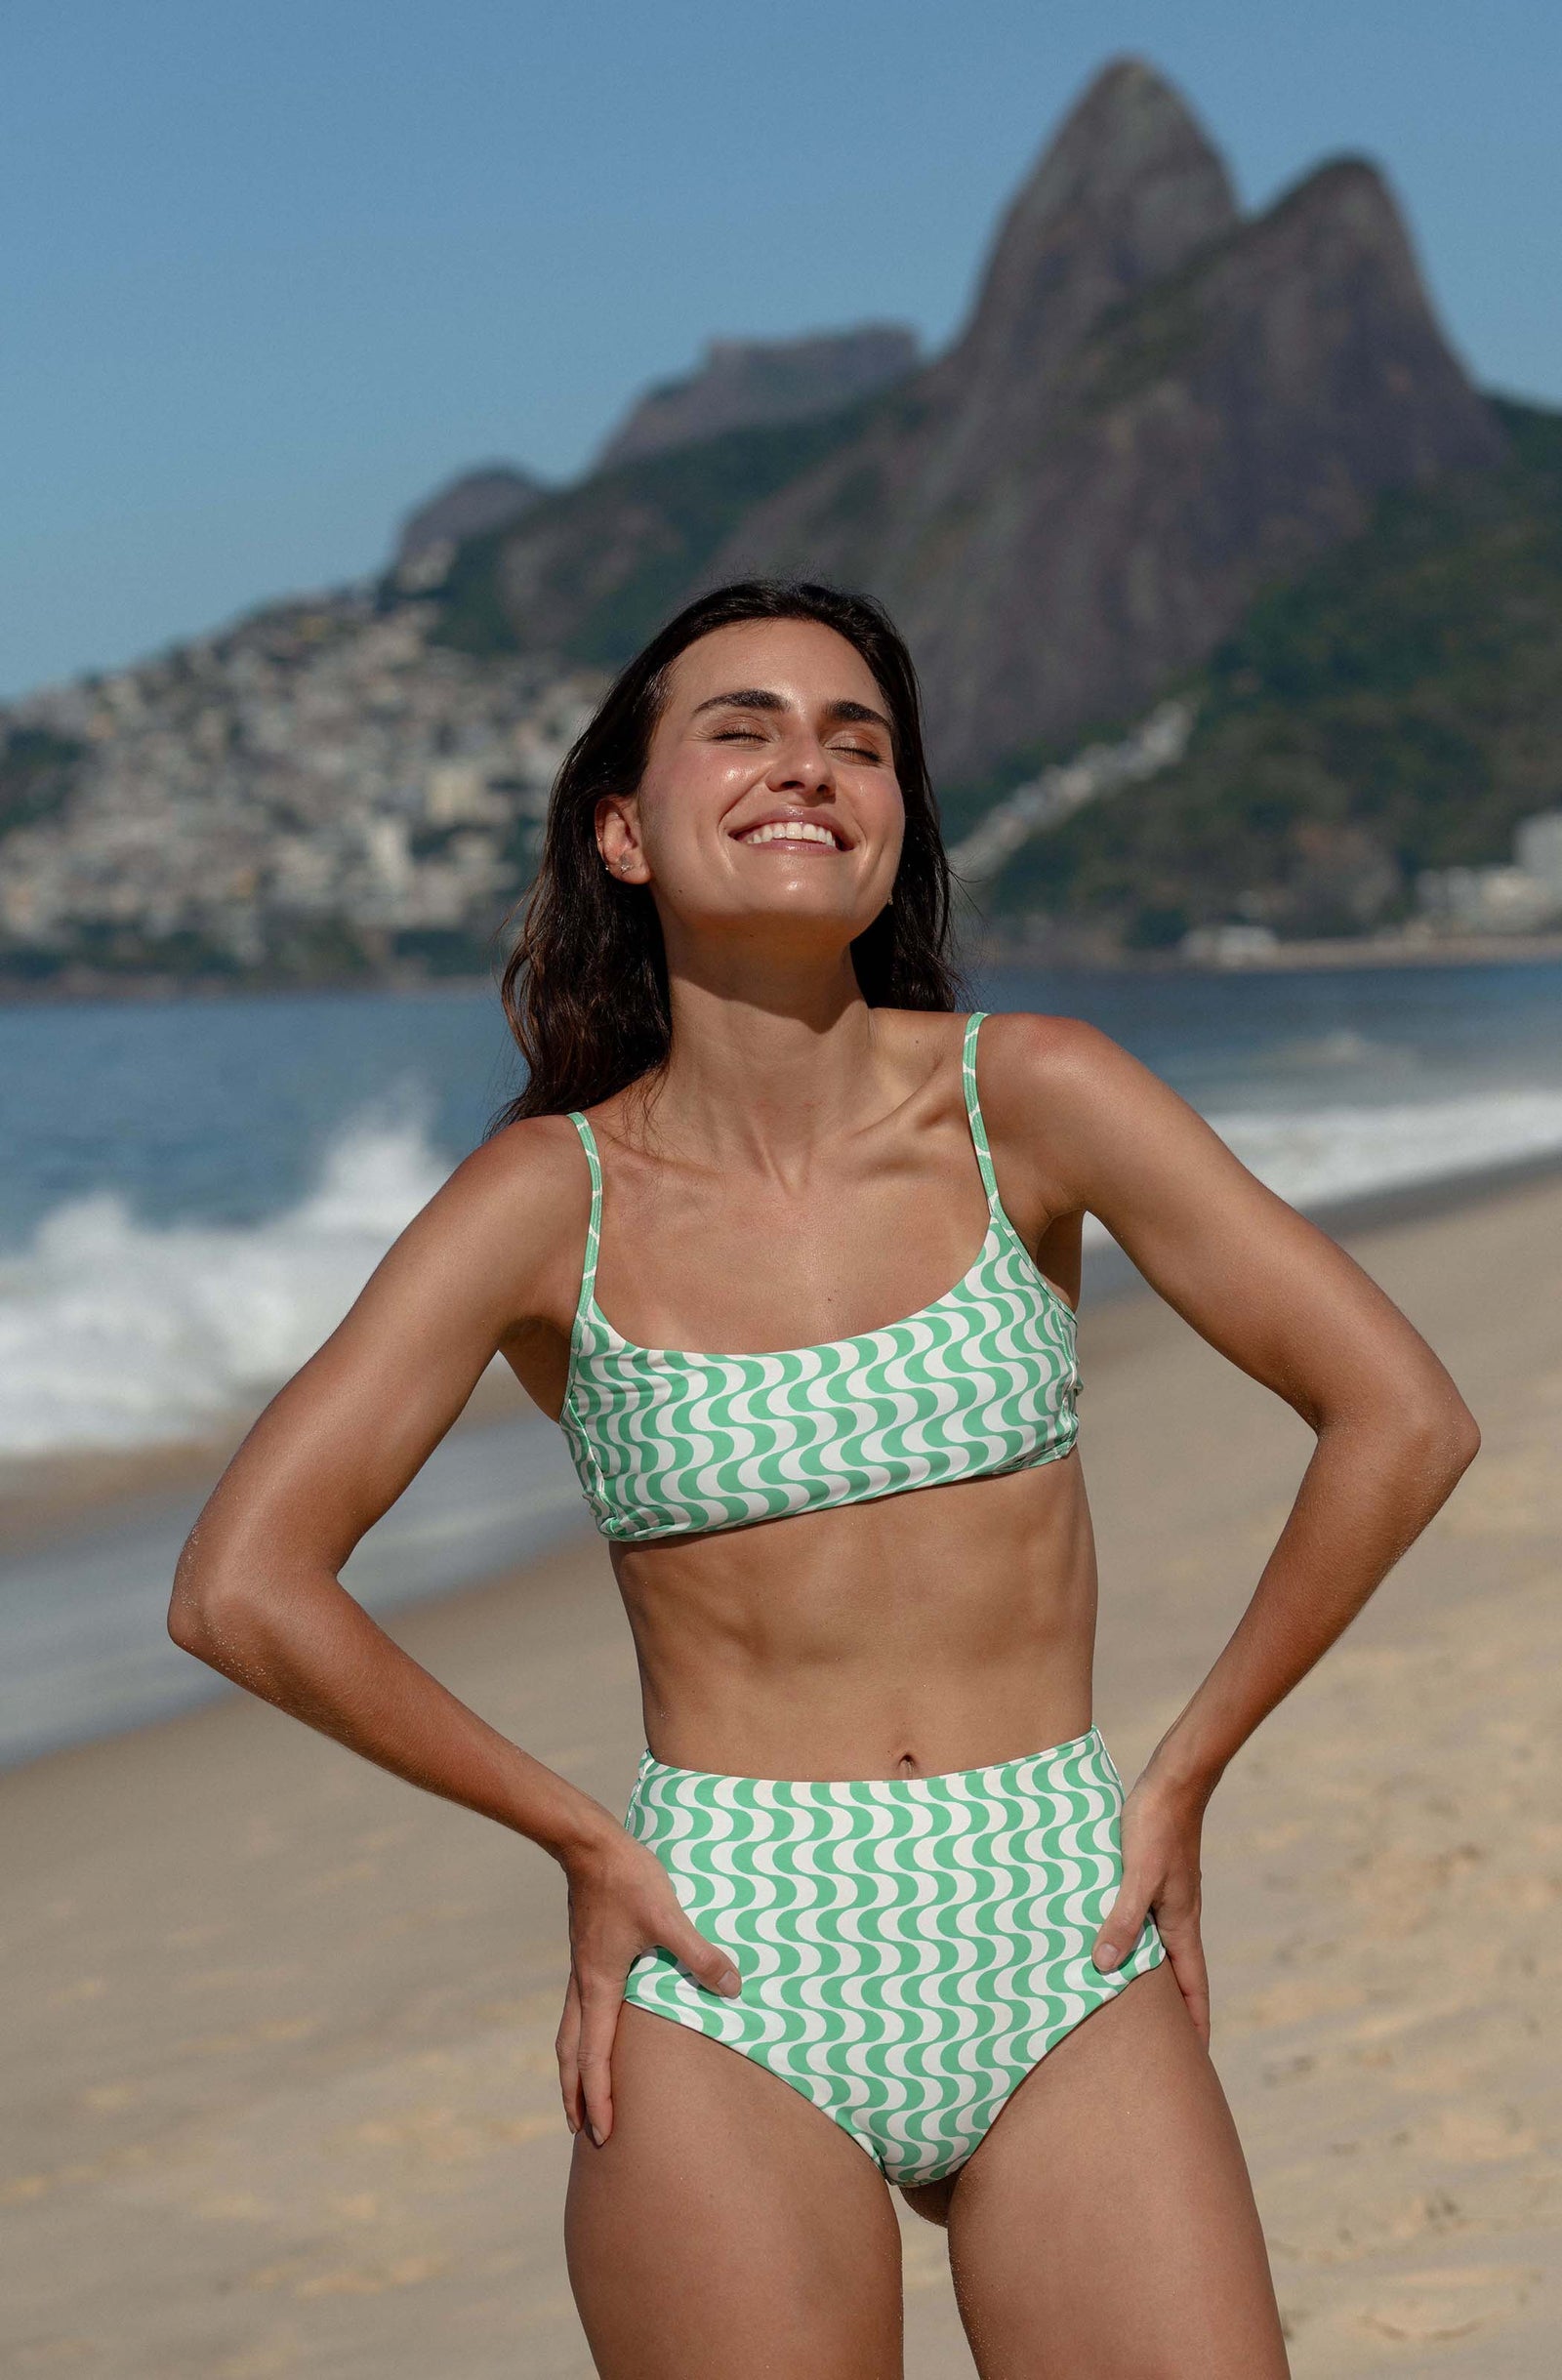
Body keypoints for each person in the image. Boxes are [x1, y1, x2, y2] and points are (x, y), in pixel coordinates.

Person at [169, 580, 1478, 2378]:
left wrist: (1189, 1767)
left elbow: (1400, 1414)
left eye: (858, 740)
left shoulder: (1034, 1097)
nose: (810, 763)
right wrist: (570, 1829)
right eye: (746, 726)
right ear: (621, 831)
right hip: (725, 1957)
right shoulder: (547, 1200)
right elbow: (244, 1583)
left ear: (894, 828)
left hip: (1058, 1905)